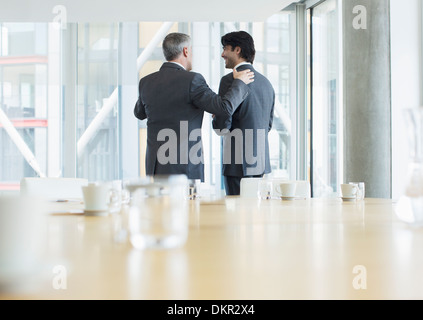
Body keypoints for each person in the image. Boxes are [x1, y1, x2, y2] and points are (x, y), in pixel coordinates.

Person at [134, 32, 254, 183]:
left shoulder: (146, 82)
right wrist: (239, 83)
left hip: (156, 166)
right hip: (186, 166)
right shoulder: (193, 80)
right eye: (191, 51)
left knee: (161, 206)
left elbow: (139, 113)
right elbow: (223, 108)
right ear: (185, 51)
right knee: (187, 206)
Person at [212, 31, 275, 196]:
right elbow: (267, 125)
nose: (222, 54)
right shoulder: (267, 84)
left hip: (236, 163)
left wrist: (217, 115)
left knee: (235, 216)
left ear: (237, 50)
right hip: (259, 162)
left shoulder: (229, 81)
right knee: (253, 214)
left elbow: (221, 127)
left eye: (225, 48)